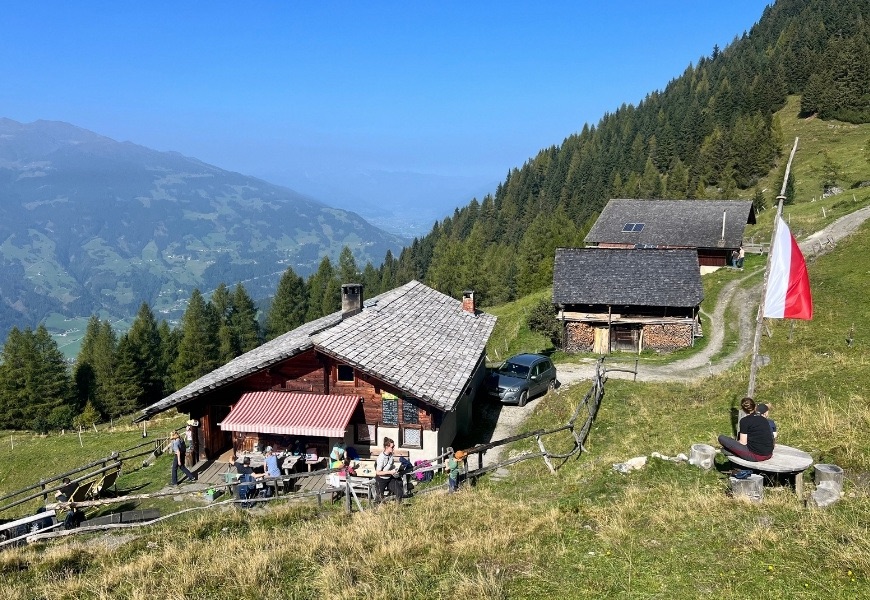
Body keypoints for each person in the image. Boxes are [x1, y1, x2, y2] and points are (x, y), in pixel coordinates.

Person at [718, 397, 775, 462]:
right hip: (769, 453)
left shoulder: (744, 421)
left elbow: (743, 442)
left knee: (721, 438)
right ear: (755, 406)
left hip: (756, 456)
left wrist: (735, 444)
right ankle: (731, 451)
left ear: (743, 409)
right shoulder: (763, 419)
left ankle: (732, 452)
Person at [375, 437, 403, 502]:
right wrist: (390, 472)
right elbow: (378, 472)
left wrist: (396, 469)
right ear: (387, 447)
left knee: (399, 492)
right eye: (392, 447)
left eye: (394, 446)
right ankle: (377, 510)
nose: (393, 448)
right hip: (381, 479)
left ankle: (397, 509)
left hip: (389, 478)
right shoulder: (381, 458)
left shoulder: (391, 455)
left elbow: (390, 465)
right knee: (379, 498)